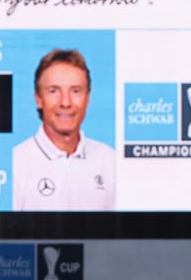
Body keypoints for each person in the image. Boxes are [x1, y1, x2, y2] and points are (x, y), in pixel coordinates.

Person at [11, 48, 116, 210]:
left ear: (87, 99)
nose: (65, 102)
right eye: (53, 91)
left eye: (75, 91)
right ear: (39, 99)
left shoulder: (109, 160)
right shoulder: (16, 164)